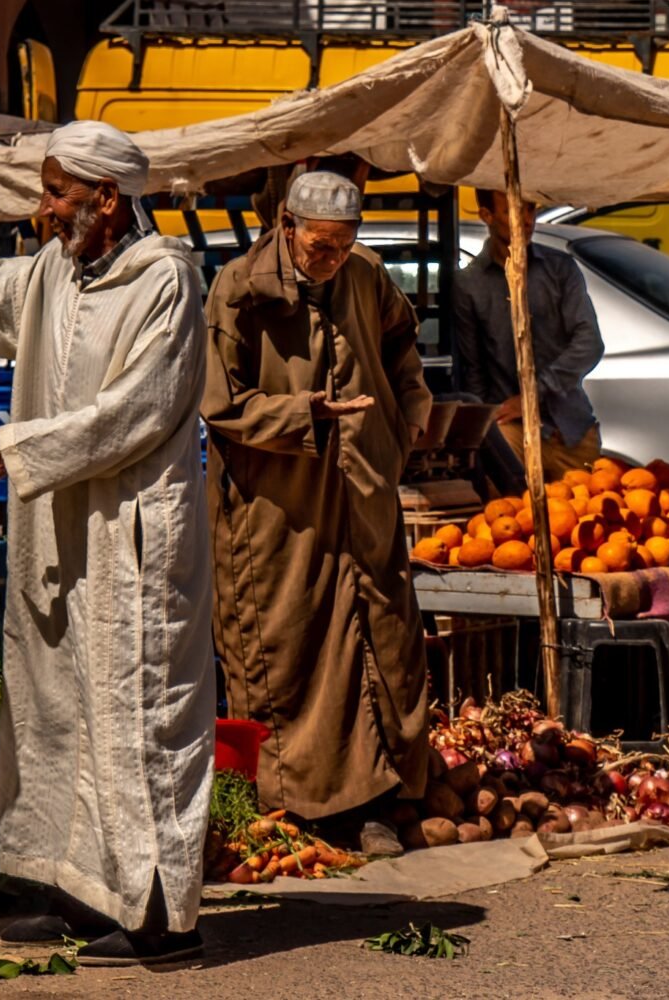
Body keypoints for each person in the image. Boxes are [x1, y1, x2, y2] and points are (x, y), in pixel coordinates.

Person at [0, 120, 215, 967]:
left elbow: (140, 409)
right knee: (56, 704)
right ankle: (76, 888)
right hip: (57, 525)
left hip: (130, 536)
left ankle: (165, 918)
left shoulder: (164, 280)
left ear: (107, 199)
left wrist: (22, 449)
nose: (44, 208)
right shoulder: (55, 270)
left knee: (135, 717)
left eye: (58, 193)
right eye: (46, 191)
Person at [201, 172, 432, 854]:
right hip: (279, 507)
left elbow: (399, 343)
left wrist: (408, 414)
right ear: (287, 226)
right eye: (320, 245)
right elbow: (220, 404)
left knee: (384, 631)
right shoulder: (238, 290)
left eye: (343, 244)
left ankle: (384, 797)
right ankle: (295, 807)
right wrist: (305, 414)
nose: (330, 257)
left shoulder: (364, 274)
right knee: (288, 643)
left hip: (363, 491)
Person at [452, 189, 605, 481]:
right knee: (509, 517)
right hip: (510, 432)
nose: (525, 220)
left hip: (569, 431)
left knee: (585, 515)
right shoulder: (469, 284)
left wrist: (534, 394)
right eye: (512, 210)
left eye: (530, 209)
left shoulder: (560, 269)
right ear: (486, 215)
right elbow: (473, 369)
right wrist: (488, 424)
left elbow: (589, 343)